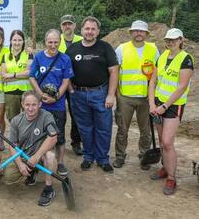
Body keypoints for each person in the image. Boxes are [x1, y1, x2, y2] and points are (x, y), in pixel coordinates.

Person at [66, 16, 119, 173]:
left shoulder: (105, 48)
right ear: (81, 30)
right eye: (87, 29)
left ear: (98, 31)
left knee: (103, 128)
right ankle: (88, 157)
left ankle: (102, 159)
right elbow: (66, 71)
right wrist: (71, 90)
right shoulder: (72, 49)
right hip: (79, 95)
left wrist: (111, 95)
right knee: (85, 129)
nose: (90, 32)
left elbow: (114, 71)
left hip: (101, 94)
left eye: (93, 29)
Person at [148, 28, 194, 195]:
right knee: (161, 140)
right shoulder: (162, 57)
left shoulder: (186, 59)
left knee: (167, 142)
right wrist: (152, 104)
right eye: (168, 39)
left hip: (173, 106)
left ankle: (172, 178)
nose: (170, 42)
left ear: (181, 40)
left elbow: (182, 87)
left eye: (174, 39)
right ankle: (165, 168)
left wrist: (164, 106)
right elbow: (153, 81)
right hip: (159, 104)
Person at [113, 20, 160, 170]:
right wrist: (117, 94)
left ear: (146, 34)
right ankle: (120, 156)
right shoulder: (121, 49)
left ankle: (144, 155)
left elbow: (157, 74)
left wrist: (152, 95)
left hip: (146, 98)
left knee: (145, 130)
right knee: (122, 129)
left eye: (142, 31)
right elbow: (114, 72)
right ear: (131, 32)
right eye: (136, 31)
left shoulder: (153, 50)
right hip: (125, 97)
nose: (138, 33)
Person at [2, 90, 59, 206]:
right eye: (27, 105)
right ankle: (31, 172)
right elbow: (12, 145)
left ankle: (49, 188)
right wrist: (20, 164)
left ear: (40, 104)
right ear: (22, 104)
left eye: (34, 104)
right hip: (24, 156)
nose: (31, 108)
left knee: (50, 156)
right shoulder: (16, 120)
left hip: (41, 155)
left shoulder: (47, 116)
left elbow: (53, 138)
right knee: (7, 177)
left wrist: (36, 156)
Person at [29, 29, 74, 176]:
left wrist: (56, 97)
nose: (53, 45)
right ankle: (38, 162)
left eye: (55, 42)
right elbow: (31, 77)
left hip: (58, 105)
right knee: (38, 134)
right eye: (50, 42)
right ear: (45, 42)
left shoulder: (65, 59)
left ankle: (60, 163)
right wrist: (40, 95)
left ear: (59, 42)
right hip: (41, 105)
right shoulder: (39, 57)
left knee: (59, 135)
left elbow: (66, 81)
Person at [59, 14, 84, 156]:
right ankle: (58, 140)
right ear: (61, 26)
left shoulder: (81, 40)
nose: (67, 26)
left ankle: (76, 142)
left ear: (75, 25)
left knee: (76, 114)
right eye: (64, 24)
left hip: (76, 84)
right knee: (59, 114)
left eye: (70, 24)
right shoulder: (56, 40)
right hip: (60, 83)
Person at [1, 30, 33, 121]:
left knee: (28, 119)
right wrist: (22, 75)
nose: (17, 43)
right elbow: (3, 77)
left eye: (20, 40)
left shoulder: (28, 55)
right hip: (10, 94)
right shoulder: (5, 56)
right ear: (11, 41)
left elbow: (29, 73)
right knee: (13, 121)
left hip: (26, 93)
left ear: (23, 42)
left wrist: (12, 75)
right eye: (15, 40)